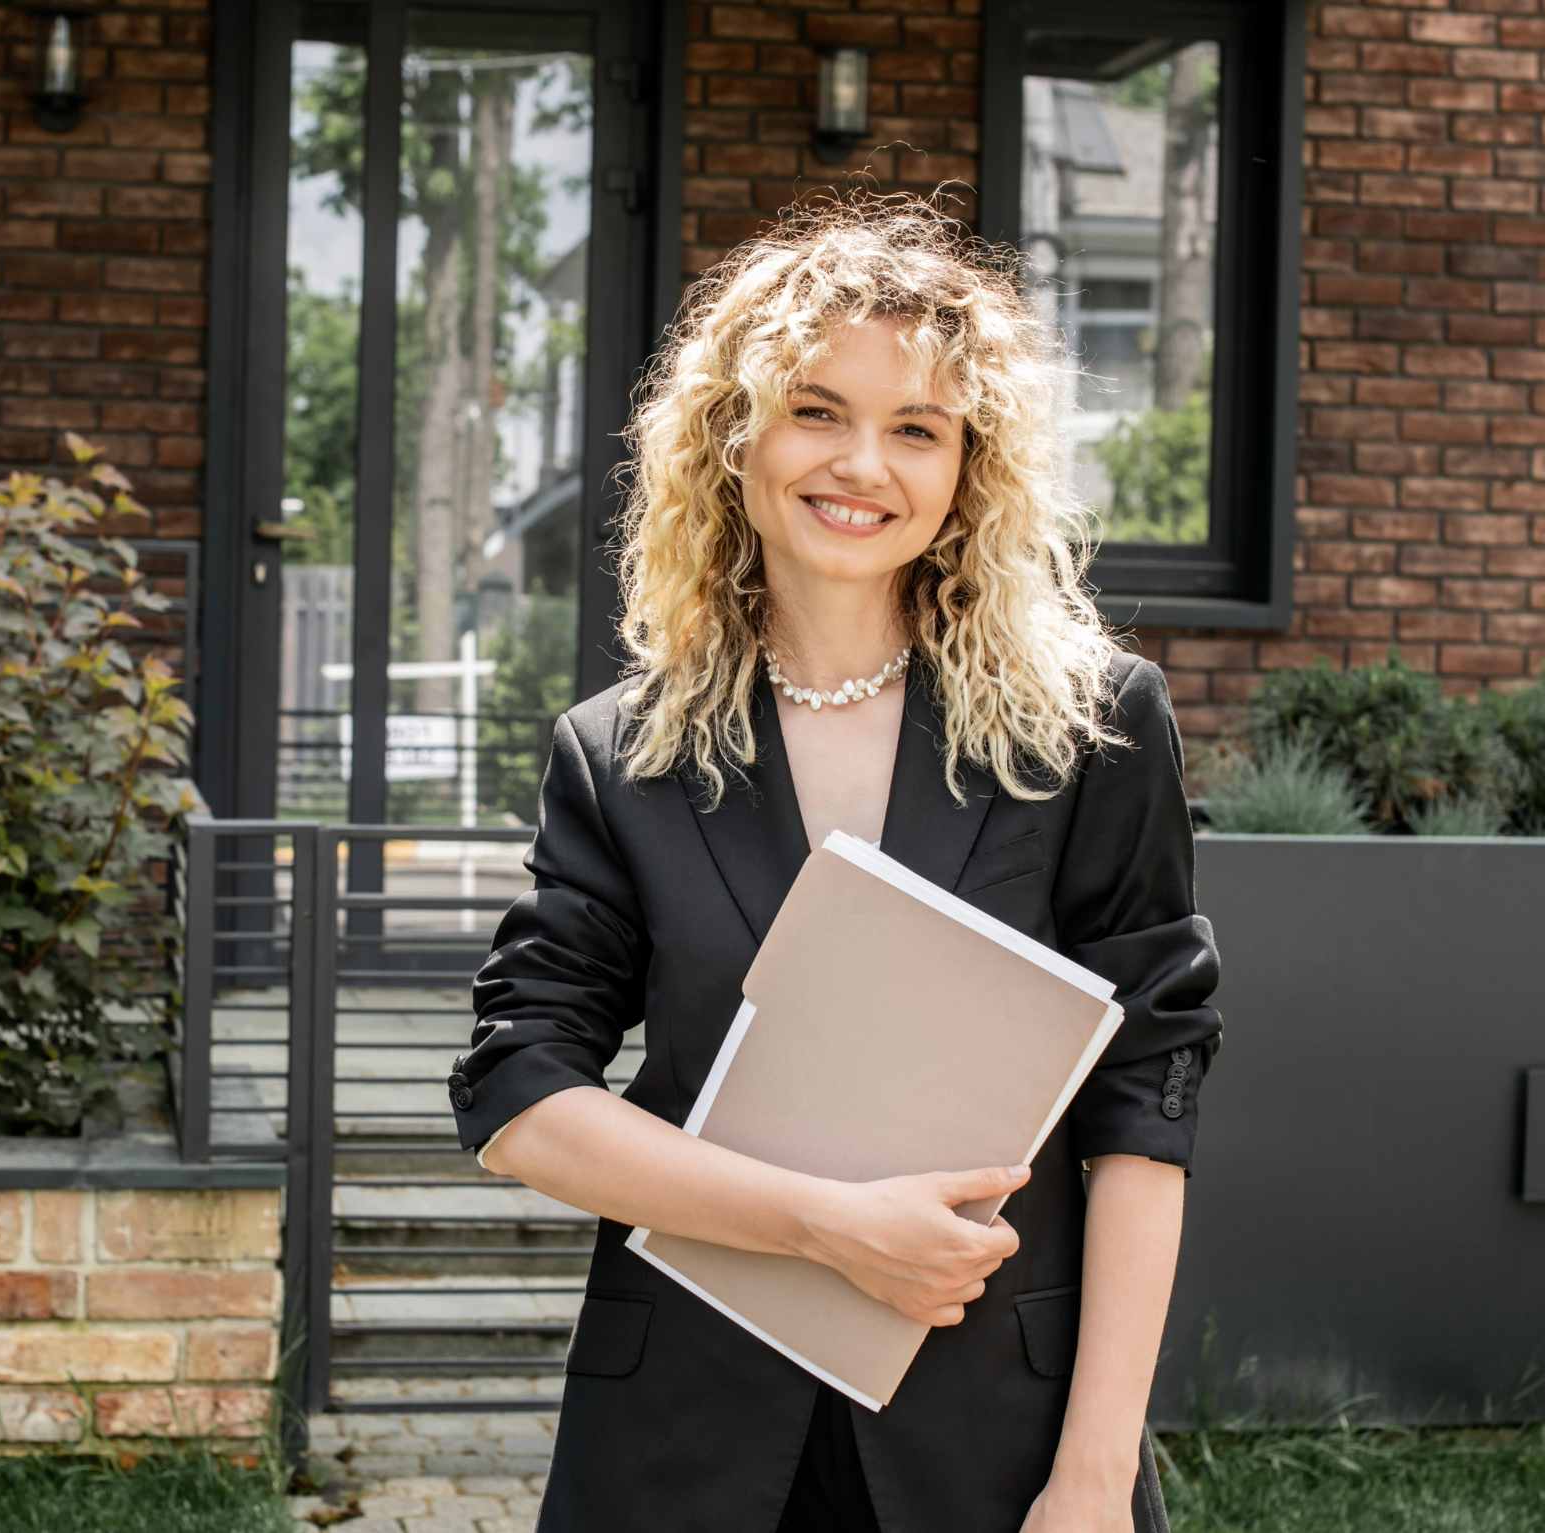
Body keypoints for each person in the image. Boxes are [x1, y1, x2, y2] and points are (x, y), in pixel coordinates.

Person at [446, 190, 1223, 1533]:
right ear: (732, 438)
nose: (861, 463)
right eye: (815, 409)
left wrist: (1095, 1470)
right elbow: (519, 1094)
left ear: (968, 470)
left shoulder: (1088, 729)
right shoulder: (618, 752)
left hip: (1003, 1438)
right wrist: (818, 1223)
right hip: (681, 1436)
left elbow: (1143, 1104)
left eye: (915, 428)